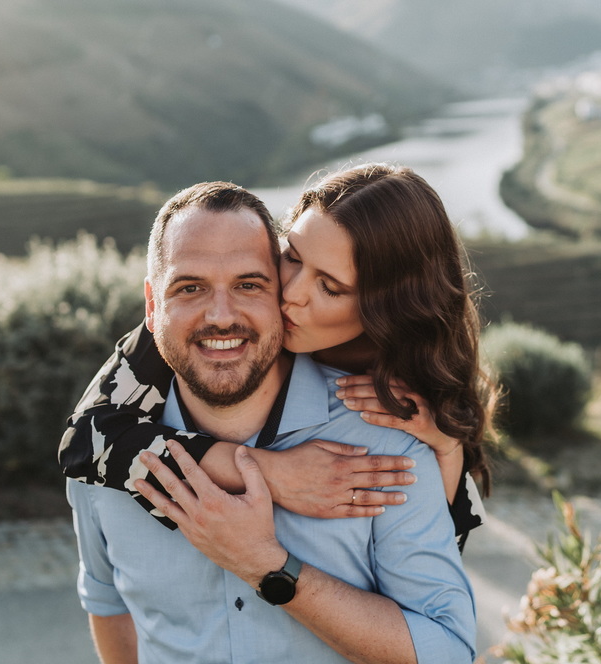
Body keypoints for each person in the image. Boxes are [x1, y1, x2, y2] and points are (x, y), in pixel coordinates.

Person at [66, 181, 476, 663]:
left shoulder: (395, 432)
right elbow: (106, 595)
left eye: (250, 284)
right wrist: (269, 472)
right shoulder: (108, 455)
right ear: (153, 306)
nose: (291, 294)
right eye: (292, 259)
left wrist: (267, 565)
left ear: (380, 310)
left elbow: (445, 646)